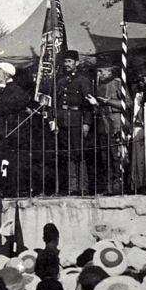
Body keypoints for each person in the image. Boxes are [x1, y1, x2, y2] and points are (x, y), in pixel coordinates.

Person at [53, 50, 95, 195]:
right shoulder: (61, 81)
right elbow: (58, 103)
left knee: (80, 153)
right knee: (68, 154)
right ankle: (72, 187)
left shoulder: (83, 80)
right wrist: (56, 121)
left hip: (78, 120)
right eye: (65, 62)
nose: (67, 65)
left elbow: (88, 104)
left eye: (70, 62)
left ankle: (83, 186)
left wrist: (87, 123)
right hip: (64, 120)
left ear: (77, 63)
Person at [89, 60, 130, 195]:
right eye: (98, 71)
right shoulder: (97, 85)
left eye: (101, 71)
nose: (98, 74)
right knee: (105, 157)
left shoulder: (118, 83)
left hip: (116, 122)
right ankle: (109, 188)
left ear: (109, 71)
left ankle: (120, 186)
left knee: (117, 156)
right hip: (103, 123)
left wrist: (109, 102)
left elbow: (128, 103)